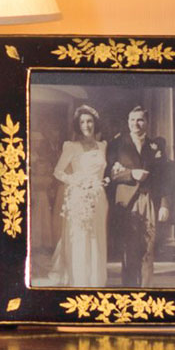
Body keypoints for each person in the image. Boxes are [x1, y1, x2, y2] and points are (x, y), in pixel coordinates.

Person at [107, 103, 170, 286]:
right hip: (126, 202)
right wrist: (131, 174)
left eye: (140, 120)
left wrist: (164, 204)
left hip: (149, 199)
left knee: (148, 249)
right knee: (128, 250)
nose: (136, 123)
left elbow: (163, 177)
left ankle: (146, 291)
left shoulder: (155, 145)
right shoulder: (116, 144)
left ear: (147, 122)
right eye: (133, 120)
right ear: (127, 122)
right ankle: (129, 292)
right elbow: (109, 174)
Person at [47, 103, 108, 285]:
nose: (87, 126)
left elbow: (103, 173)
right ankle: (79, 281)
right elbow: (58, 171)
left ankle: (95, 281)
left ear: (95, 123)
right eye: (82, 122)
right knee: (81, 240)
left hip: (99, 198)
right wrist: (78, 181)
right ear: (78, 125)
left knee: (97, 239)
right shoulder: (71, 146)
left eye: (89, 121)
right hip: (79, 198)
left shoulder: (102, 146)